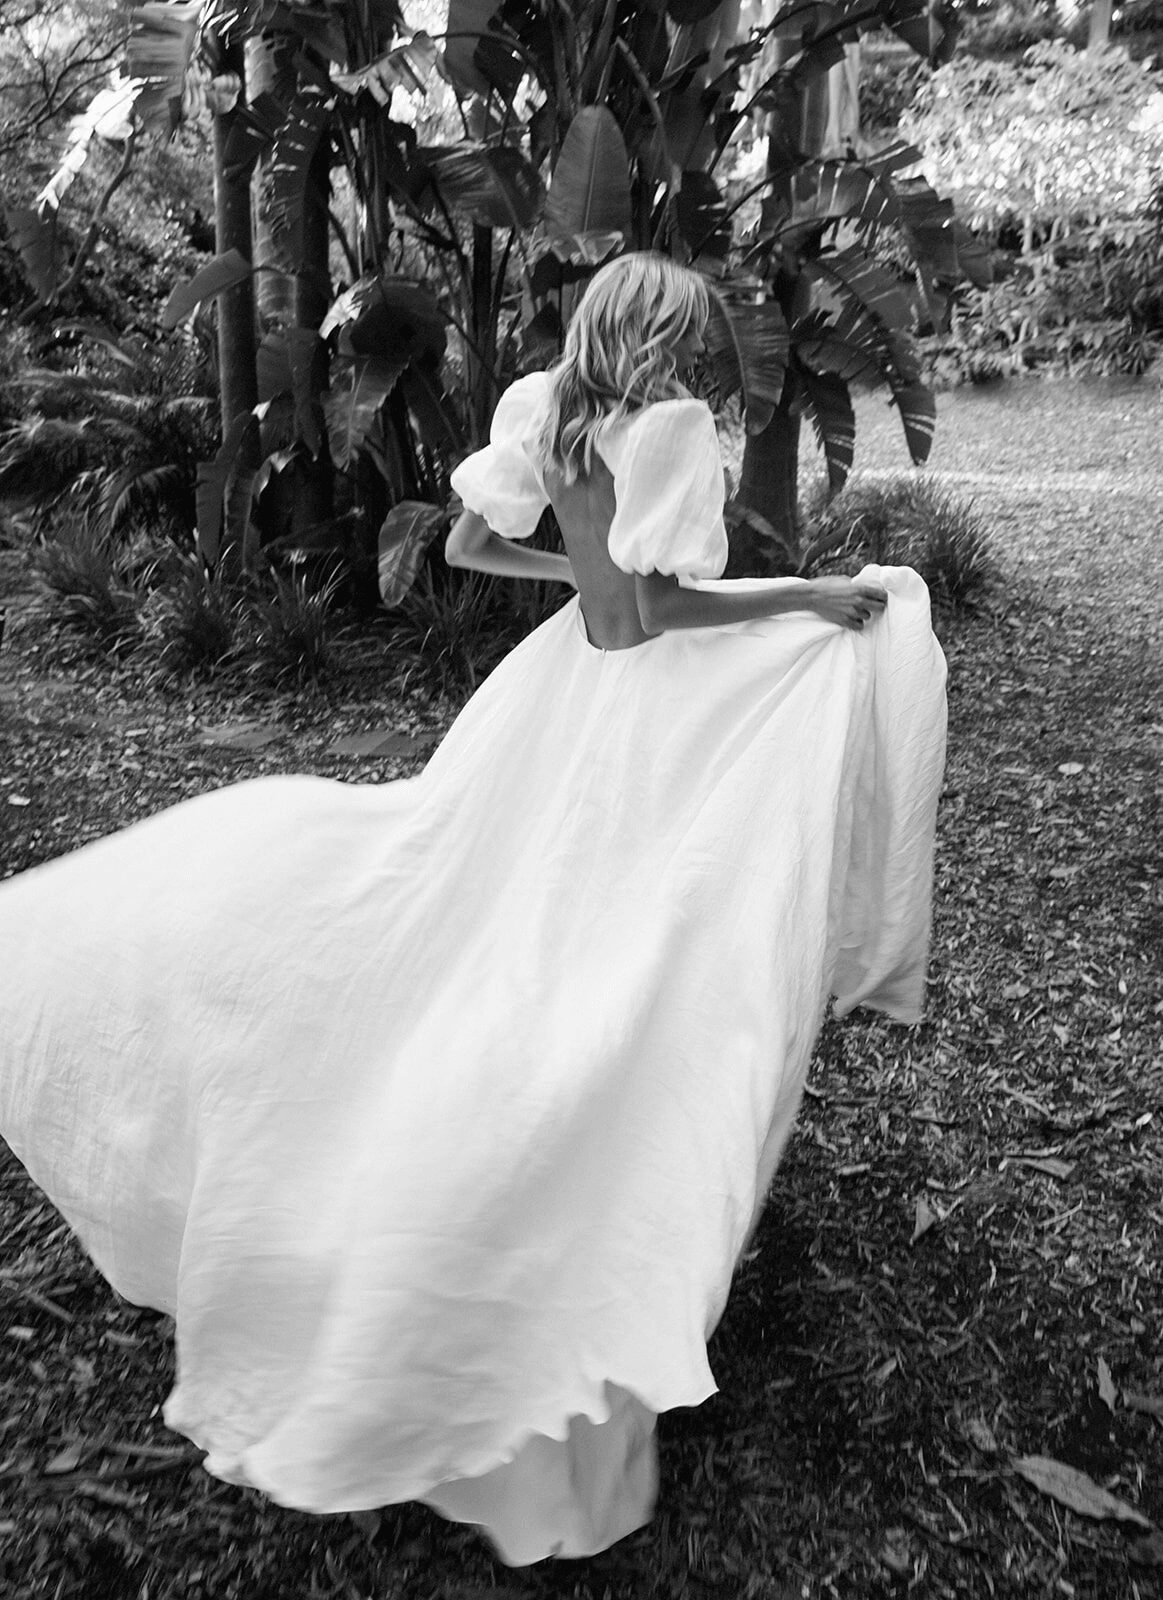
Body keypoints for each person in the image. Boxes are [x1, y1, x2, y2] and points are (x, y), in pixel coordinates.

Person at [0, 252, 946, 1566]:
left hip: (560, 694)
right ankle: (562, 1225)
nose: (701, 355)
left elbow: (472, 544)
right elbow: (659, 606)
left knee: (500, 929)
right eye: (690, 333)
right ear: (660, 336)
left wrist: (581, 581)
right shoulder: (669, 427)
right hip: (648, 714)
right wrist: (809, 596)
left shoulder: (546, 410)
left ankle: (488, 1193)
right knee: (626, 964)